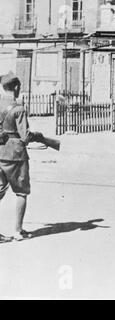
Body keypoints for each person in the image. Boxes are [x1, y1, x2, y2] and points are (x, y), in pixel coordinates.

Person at [0, 72, 45, 241]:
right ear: (16, 87)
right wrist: (37, 136)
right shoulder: (18, 109)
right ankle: (18, 231)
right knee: (21, 193)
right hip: (16, 155)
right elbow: (25, 136)